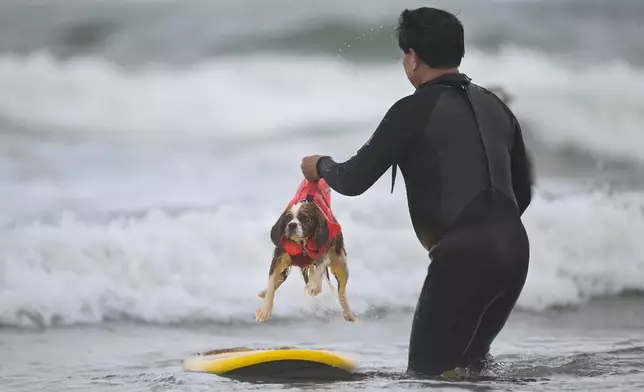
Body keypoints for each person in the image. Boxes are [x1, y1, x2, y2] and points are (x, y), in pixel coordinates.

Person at [300, 7, 533, 377]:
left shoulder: (412, 110)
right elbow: (522, 194)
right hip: (515, 253)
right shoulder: (498, 107)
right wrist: (487, 237)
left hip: (464, 258)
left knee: (426, 376)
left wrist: (322, 166)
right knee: (471, 369)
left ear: (412, 58)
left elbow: (354, 179)